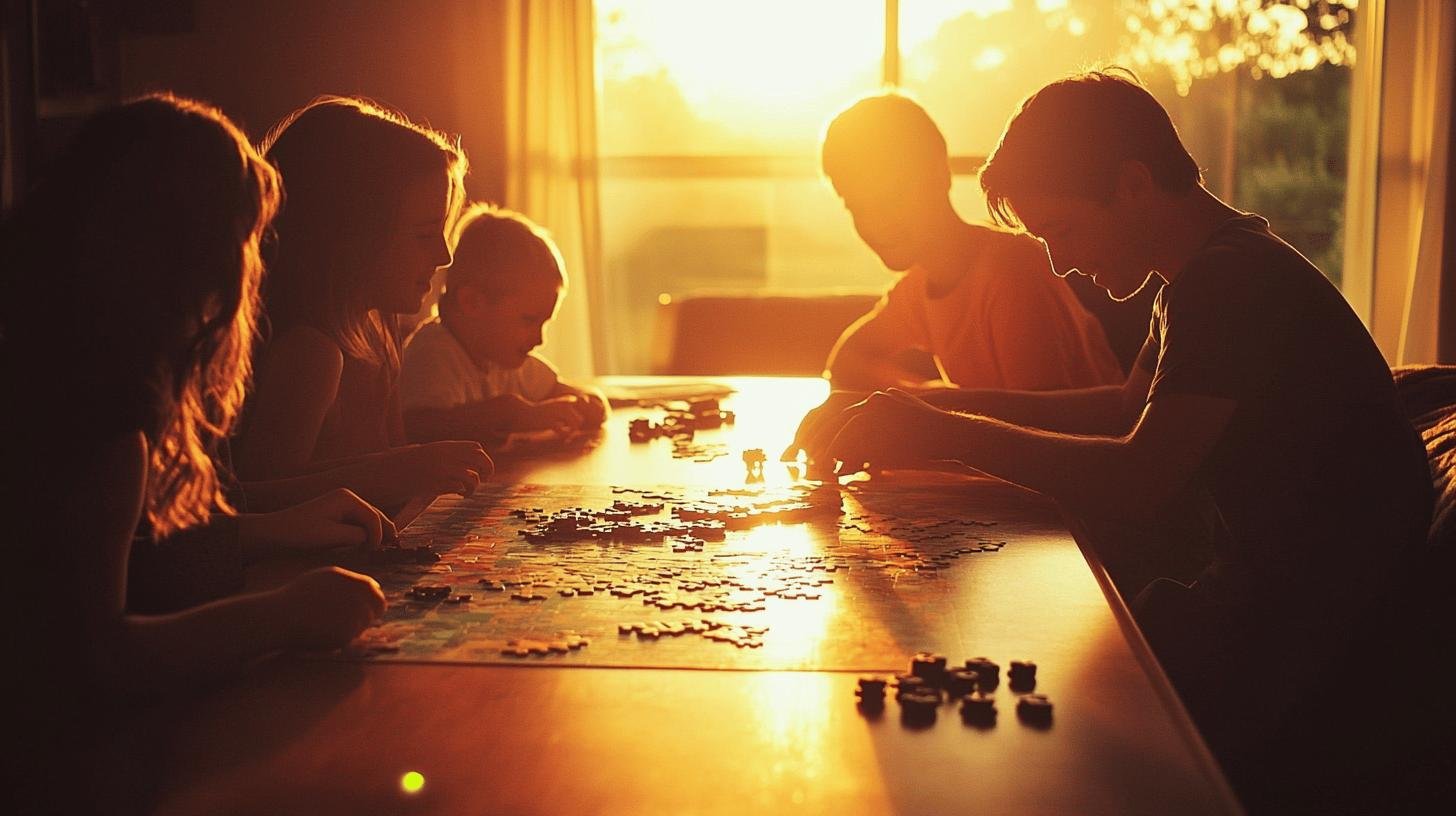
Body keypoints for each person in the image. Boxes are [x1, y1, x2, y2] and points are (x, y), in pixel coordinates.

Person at [798, 70, 1433, 809]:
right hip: (1259, 597)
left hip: (1301, 635)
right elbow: (1124, 406)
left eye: (1064, 231)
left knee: (1016, 713)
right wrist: (925, 409)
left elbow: (1142, 480)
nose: (1062, 263)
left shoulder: (1231, 286)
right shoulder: (1203, 274)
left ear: (1133, 184)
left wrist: (945, 431)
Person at [0, 95, 395, 713]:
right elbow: (95, 656)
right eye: (242, 248)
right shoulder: (103, 421)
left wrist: (266, 530)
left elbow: (118, 558)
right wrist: (285, 615)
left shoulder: (44, 353)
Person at [232, 96, 493, 506]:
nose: (444, 256)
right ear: (350, 238)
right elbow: (251, 502)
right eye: (424, 235)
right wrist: (401, 468)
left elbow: (389, 463)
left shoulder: (380, 326)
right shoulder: (310, 352)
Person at [814, 92, 1122, 393]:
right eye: (857, 206)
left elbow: (1044, 423)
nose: (875, 221)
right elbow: (844, 363)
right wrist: (921, 397)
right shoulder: (918, 289)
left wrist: (931, 407)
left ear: (939, 174)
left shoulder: (1011, 269)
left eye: (890, 198)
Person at [400, 204, 608, 447]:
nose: (539, 339)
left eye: (544, 323)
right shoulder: (432, 355)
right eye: (529, 320)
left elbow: (565, 391)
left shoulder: (504, 358)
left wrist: (586, 403)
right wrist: (514, 414)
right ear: (472, 303)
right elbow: (418, 427)